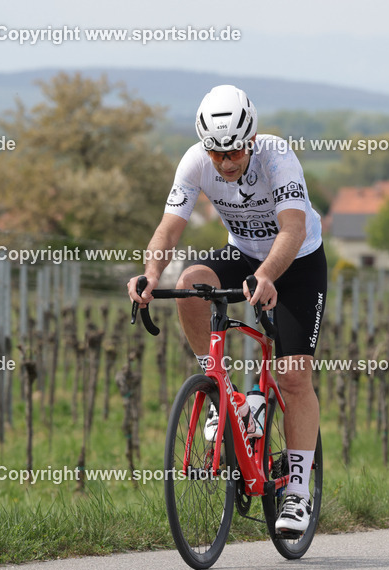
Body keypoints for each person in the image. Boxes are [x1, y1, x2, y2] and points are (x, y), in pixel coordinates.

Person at [128, 84, 326, 535]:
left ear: (251, 139)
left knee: (293, 376)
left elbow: (293, 228)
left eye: (234, 152)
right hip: (243, 254)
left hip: (297, 261)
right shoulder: (195, 161)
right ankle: (222, 393)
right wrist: (151, 274)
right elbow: (168, 229)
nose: (225, 163)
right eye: (216, 153)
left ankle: (297, 493)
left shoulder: (277, 156)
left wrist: (269, 275)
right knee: (190, 283)